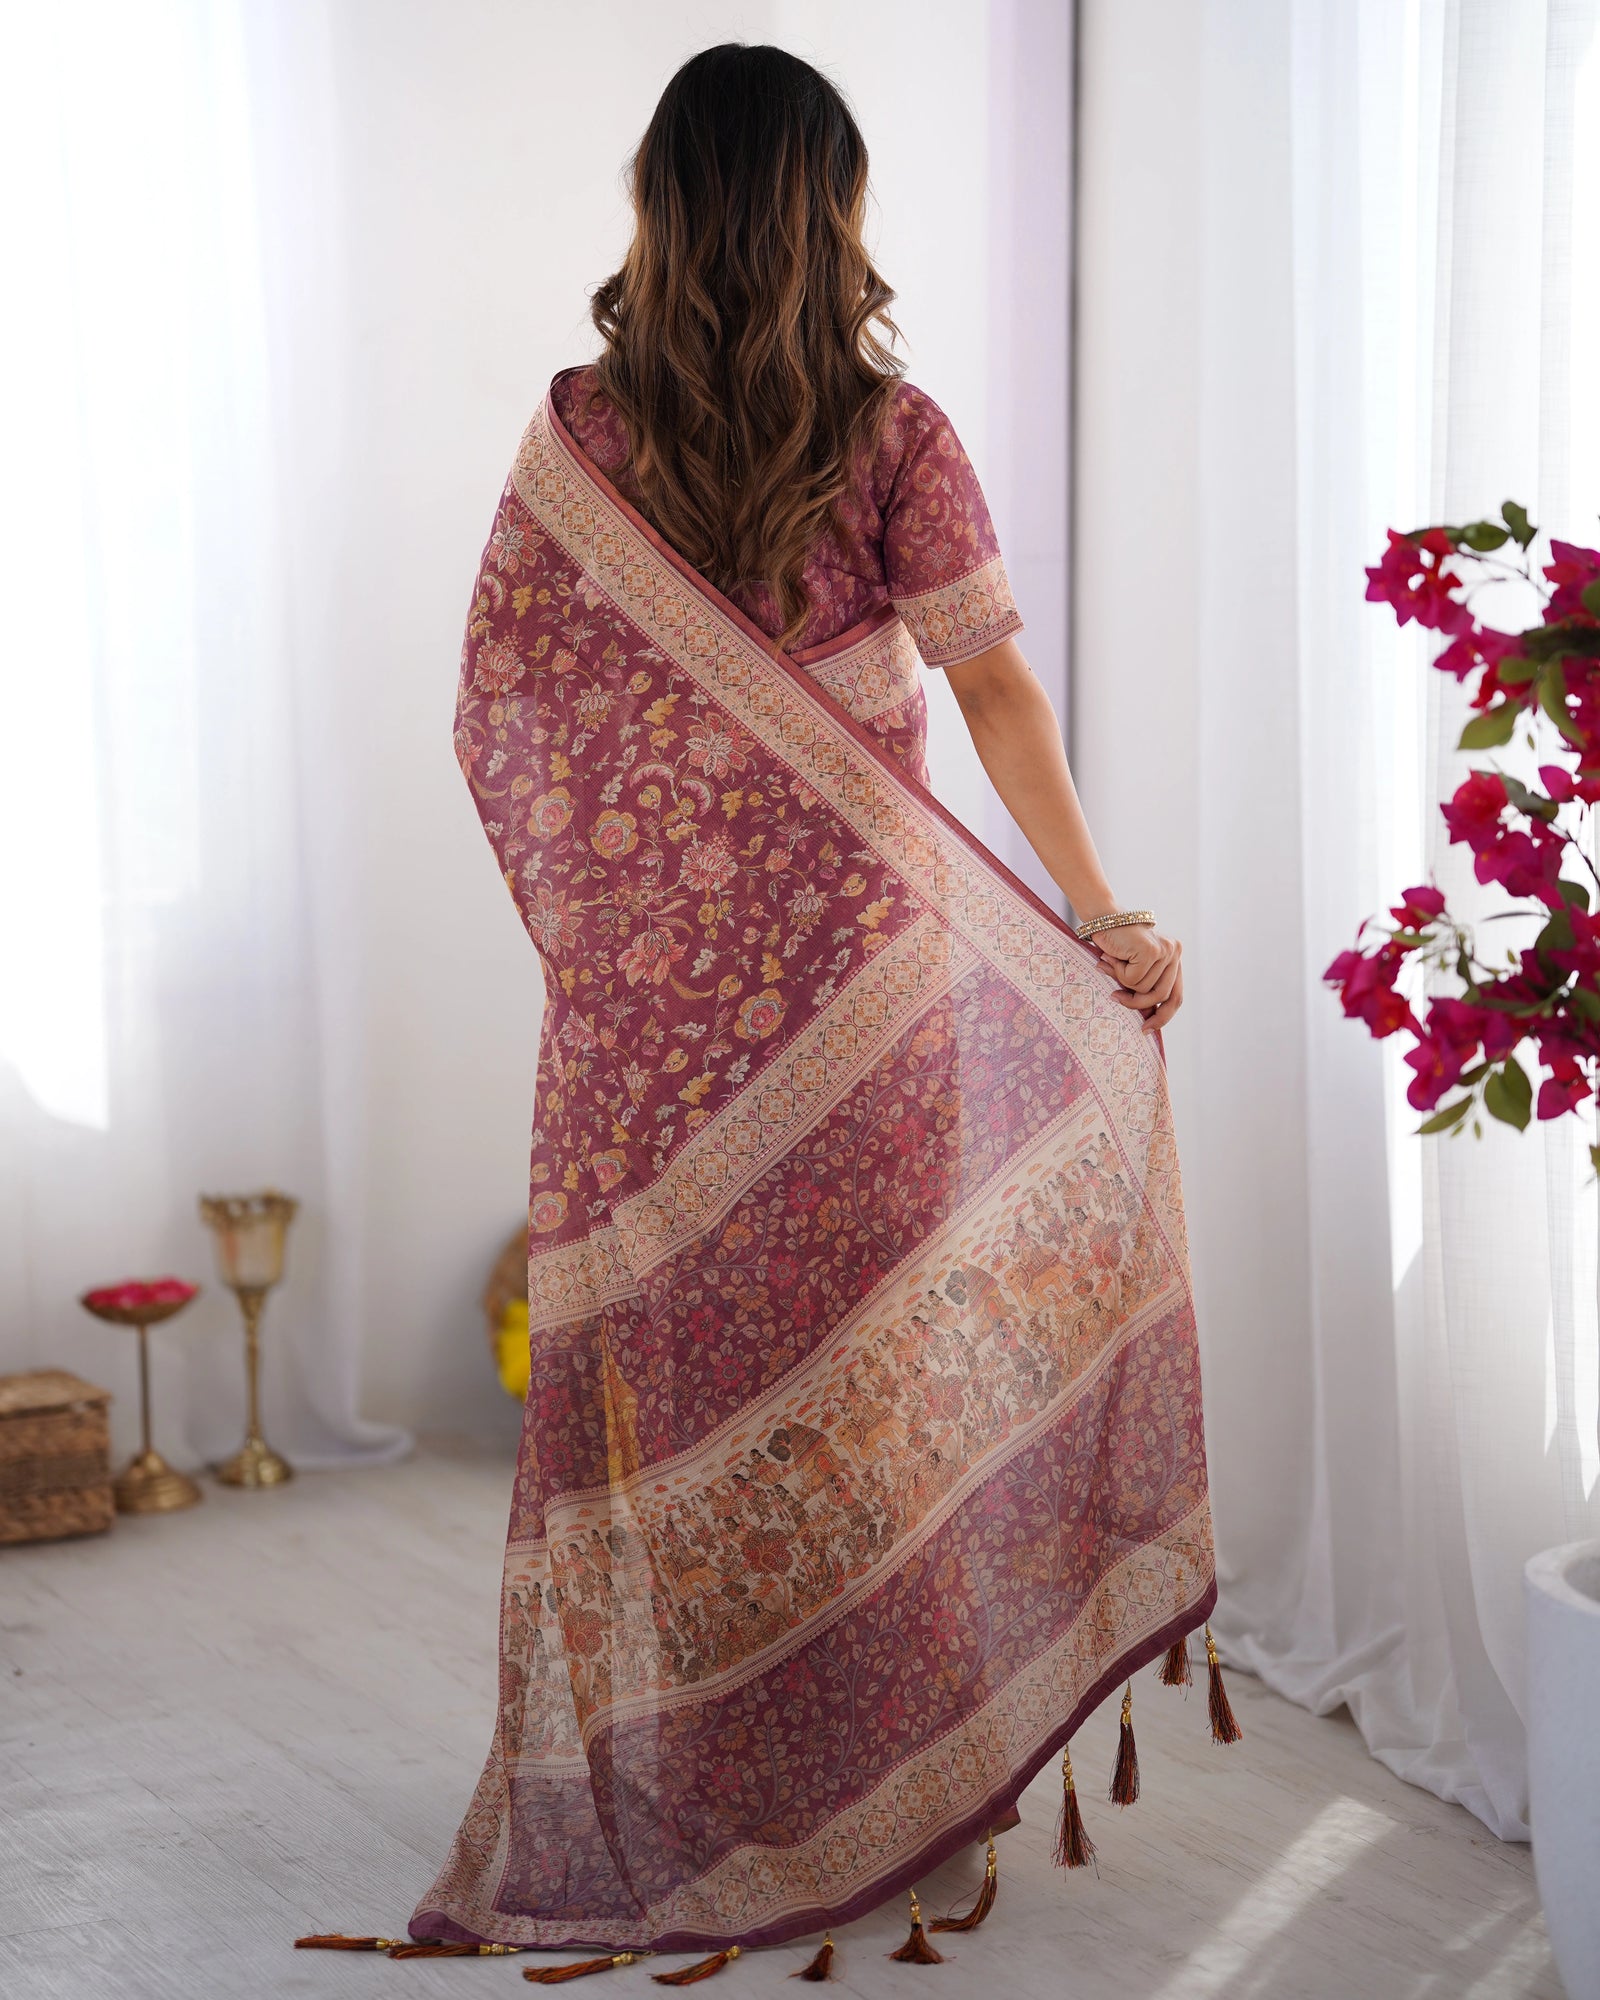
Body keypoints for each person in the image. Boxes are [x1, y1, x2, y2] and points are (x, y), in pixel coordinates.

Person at [399, 42, 1227, 1982]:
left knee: (689, 1387)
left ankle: (707, 1790)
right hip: (870, 991)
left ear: (658, 207)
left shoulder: (575, 437)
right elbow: (996, 696)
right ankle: (895, 1795)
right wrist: (1096, 913)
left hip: (651, 1033)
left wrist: (615, 931)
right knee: (875, 1381)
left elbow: (496, 714)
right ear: (828, 214)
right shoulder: (891, 432)